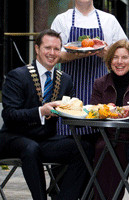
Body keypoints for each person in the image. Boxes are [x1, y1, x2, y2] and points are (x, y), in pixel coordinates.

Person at [0, 29, 93, 200]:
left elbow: (67, 114)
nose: (52, 53)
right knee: (30, 148)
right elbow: (9, 115)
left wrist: (85, 112)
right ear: (37, 49)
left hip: (44, 139)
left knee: (84, 148)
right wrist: (40, 111)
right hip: (13, 137)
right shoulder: (18, 75)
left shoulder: (65, 79)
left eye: (56, 49)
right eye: (47, 48)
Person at [51, 0, 127, 135]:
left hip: (103, 91)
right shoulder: (61, 20)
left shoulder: (109, 20)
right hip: (70, 91)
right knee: (70, 140)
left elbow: (125, 54)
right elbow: (54, 56)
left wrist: (107, 54)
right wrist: (78, 54)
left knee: (101, 138)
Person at [90, 39, 129, 200]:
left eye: (124, 57)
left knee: (113, 148)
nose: (119, 62)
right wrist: (108, 111)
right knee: (104, 147)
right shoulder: (100, 83)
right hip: (105, 136)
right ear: (110, 60)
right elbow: (93, 112)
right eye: (115, 57)